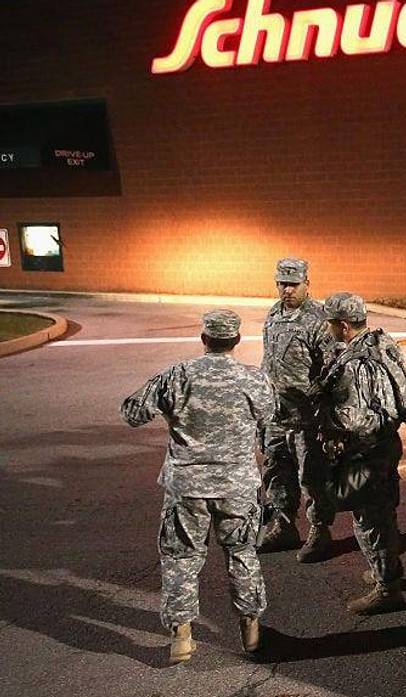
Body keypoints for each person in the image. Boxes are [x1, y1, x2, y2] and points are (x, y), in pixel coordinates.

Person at [121, 309, 274, 664]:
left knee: (181, 559)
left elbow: (132, 413)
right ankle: (251, 630)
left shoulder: (179, 375)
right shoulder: (254, 379)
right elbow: (270, 418)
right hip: (237, 486)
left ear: (204, 339)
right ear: (236, 340)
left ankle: (181, 638)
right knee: (242, 554)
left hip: (187, 487)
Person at [318, 292, 406, 615]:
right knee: (385, 511)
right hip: (387, 445)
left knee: (370, 519)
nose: (328, 328)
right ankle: (385, 569)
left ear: (344, 326)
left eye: (331, 323)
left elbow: (354, 418)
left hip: (365, 453)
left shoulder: (355, 366)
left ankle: (387, 588)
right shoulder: (383, 344)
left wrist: (329, 417)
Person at [257, 257, 337, 562]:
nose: (287, 290)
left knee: (313, 476)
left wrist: (323, 412)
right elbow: (269, 361)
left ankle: (320, 531)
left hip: (307, 416)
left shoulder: (319, 319)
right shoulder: (273, 315)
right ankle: (284, 525)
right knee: (276, 469)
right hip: (277, 414)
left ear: (307, 283)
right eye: (282, 283)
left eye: (293, 284)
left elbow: (331, 369)